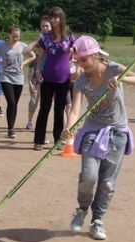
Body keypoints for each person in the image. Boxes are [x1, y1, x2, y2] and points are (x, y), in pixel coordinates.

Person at [63, 36, 135, 240]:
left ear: (95, 55)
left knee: (107, 182)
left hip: (117, 132)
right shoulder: (81, 80)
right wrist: (69, 128)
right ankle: (82, 209)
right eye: (77, 61)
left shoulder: (114, 69)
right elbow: (75, 110)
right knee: (89, 176)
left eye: (84, 60)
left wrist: (122, 79)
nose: (81, 65)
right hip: (92, 130)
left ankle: (97, 220)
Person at [29, 7, 76, 150]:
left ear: (61, 18)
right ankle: (38, 140)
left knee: (59, 110)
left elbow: (76, 53)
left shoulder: (70, 36)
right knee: (44, 108)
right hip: (47, 78)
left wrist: (76, 66)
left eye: (57, 17)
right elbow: (40, 56)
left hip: (64, 78)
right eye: (52, 17)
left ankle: (57, 140)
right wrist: (37, 71)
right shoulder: (45, 37)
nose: (54, 20)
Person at [0, 25, 36, 138]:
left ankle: (12, 126)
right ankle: (10, 129)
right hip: (6, 77)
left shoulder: (23, 45)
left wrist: (24, 63)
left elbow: (33, 56)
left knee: (15, 104)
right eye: (14, 36)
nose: (16, 38)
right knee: (11, 102)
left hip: (18, 78)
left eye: (18, 36)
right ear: (9, 35)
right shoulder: (2, 46)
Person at [26, 16, 52, 130]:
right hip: (37, 74)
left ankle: (42, 125)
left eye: (47, 26)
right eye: (43, 26)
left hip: (50, 76)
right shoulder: (39, 43)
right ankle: (30, 121)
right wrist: (30, 82)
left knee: (47, 104)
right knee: (33, 101)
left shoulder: (55, 42)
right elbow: (26, 51)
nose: (45, 28)